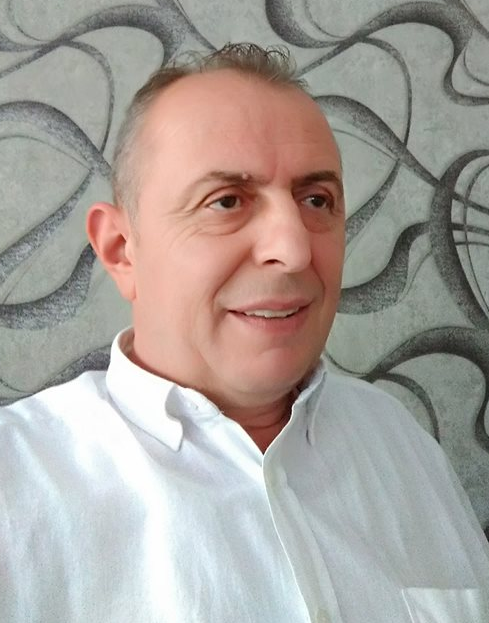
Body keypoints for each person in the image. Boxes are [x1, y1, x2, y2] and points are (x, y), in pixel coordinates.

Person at [1, 43, 488, 623]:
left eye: (317, 200)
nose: (294, 248)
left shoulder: (402, 445)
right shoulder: (15, 489)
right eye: (226, 201)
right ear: (122, 251)